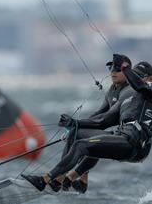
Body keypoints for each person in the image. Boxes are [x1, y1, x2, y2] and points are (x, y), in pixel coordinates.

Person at [22, 54, 152, 193]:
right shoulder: (127, 97)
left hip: (137, 144)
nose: (138, 79)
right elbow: (102, 121)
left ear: (150, 78)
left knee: (81, 145)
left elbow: (141, 86)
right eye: (135, 75)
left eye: (141, 76)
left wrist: (126, 69)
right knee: (82, 136)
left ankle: (44, 180)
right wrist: (75, 123)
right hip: (123, 137)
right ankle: (62, 179)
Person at [56, 58, 131, 193]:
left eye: (117, 69)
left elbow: (107, 119)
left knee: (92, 140)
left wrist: (77, 126)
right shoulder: (113, 89)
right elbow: (100, 113)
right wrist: (78, 127)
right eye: (111, 69)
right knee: (85, 136)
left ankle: (59, 177)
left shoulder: (129, 90)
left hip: (124, 137)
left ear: (127, 71)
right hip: (111, 130)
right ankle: (82, 181)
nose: (113, 72)